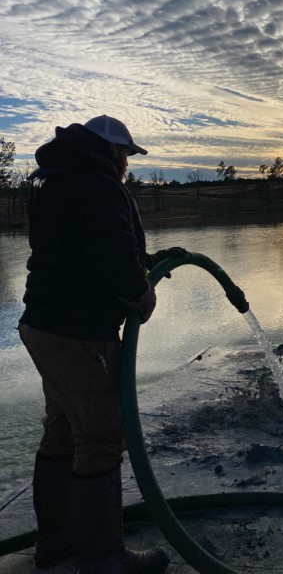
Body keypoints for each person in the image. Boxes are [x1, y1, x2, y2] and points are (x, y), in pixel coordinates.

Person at [19, 115, 184, 574]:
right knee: (99, 437)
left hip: (43, 326)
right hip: (78, 333)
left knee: (62, 430)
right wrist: (141, 293)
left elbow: (81, 250)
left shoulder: (56, 183)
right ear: (112, 151)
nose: (128, 165)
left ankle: (57, 542)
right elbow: (110, 259)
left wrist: (149, 262)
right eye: (126, 155)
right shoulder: (99, 186)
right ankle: (103, 558)